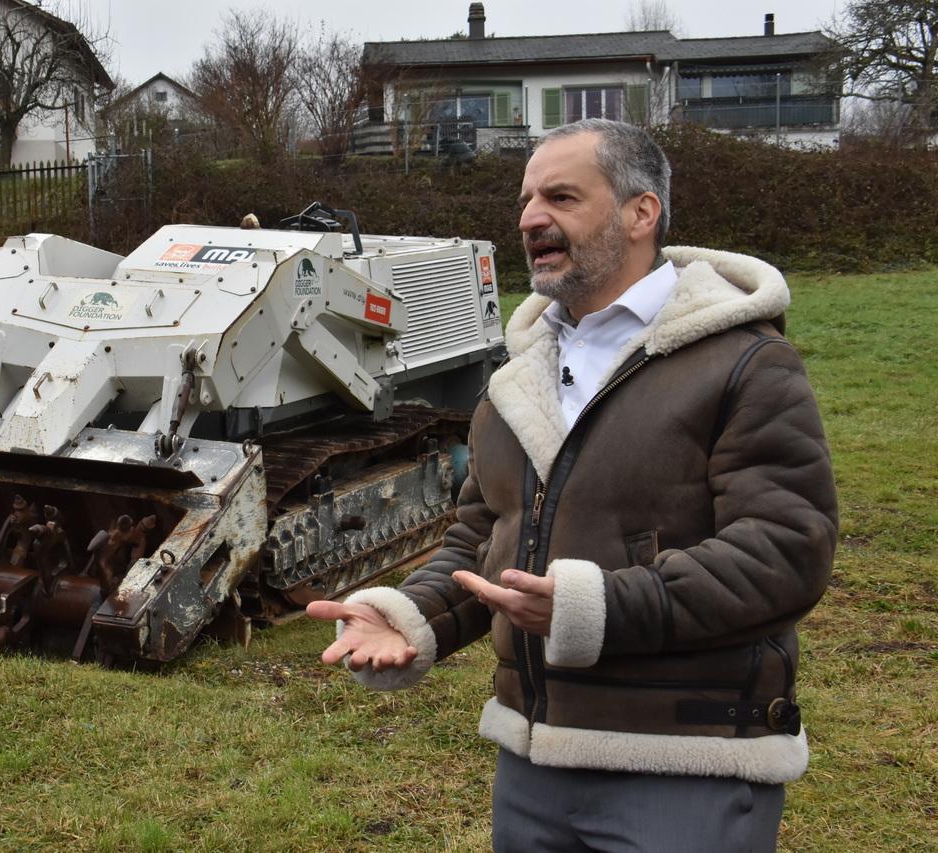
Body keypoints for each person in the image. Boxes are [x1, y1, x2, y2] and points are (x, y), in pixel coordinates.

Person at [308, 118, 837, 852]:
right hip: (533, 765)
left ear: (640, 212)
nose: (530, 217)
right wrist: (412, 613)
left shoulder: (746, 363)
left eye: (560, 196)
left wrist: (599, 607)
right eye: (526, 200)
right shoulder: (518, 373)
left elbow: (786, 550)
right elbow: (484, 534)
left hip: (687, 763)